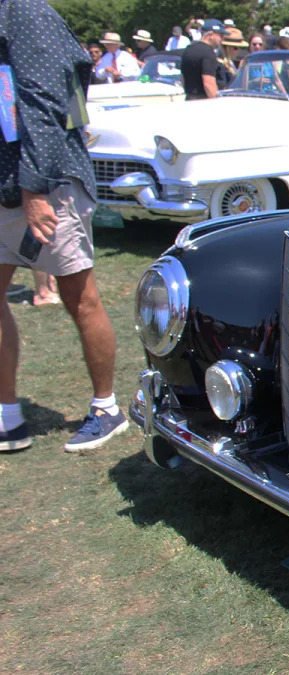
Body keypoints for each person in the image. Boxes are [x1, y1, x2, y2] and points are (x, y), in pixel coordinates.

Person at [0, 0, 128, 453]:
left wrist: (33, 189)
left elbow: (45, 104)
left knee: (80, 298)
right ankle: (8, 415)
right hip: (6, 182)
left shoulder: (26, 14)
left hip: (47, 184)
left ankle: (107, 408)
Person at [182, 18, 226, 100]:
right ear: (211, 35)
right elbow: (208, 83)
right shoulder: (208, 53)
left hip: (189, 98)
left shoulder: (188, 49)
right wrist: (217, 104)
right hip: (203, 101)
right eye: (221, 35)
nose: (222, 39)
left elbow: (183, 78)